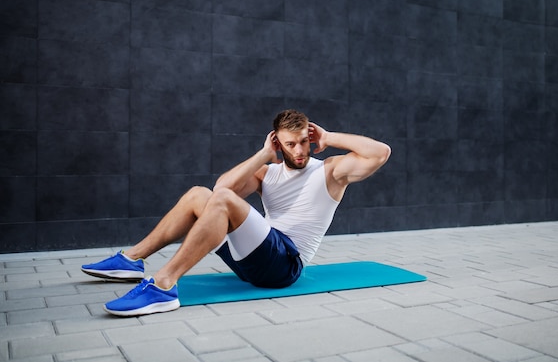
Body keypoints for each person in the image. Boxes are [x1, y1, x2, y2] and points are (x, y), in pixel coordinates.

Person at [82, 109, 391, 316]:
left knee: (222, 201)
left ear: (310, 140)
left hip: (285, 264)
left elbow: (381, 153)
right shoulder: (266, 173)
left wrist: (329, 137)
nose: (298, 150)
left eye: (303, 143)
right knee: (198, 195)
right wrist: (261, 155)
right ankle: (131, 260)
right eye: (290, 144)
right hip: (253, 263)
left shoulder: (330, 171)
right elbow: (221, 188)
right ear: (278, 144)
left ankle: (164, 285)